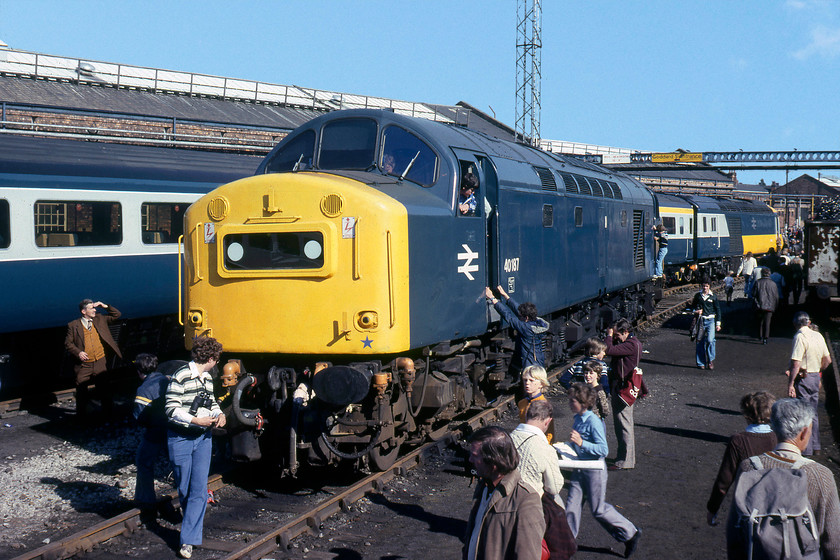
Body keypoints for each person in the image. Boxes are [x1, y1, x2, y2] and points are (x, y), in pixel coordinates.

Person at [726, 398, 840, 559]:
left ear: (774, 428)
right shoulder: (820, 474)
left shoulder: (750, 467)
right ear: (805, 432)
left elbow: (735, 529)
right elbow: (833, 543)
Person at [165, 336, 227, 559]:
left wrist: (218, 414)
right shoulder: (180, 376)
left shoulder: (208, 379)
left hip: (203, 439)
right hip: (180, 438)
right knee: (184, 487)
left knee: (199, 490)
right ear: (210, 358)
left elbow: (211, 402)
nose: (216, 363)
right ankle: (189, 516)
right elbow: (171, 409)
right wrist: (194, 421)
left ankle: (188, 540)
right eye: (216, 360)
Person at [565, 384, 642, 558]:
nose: (570, 403)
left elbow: (603, 450)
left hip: (594, 471)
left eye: (573, 401)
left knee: (598, 509)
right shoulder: (577, 418)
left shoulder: (593, 421)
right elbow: (577, 443)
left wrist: (581, 443)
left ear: (583, 403)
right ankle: (567, 544)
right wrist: (566, 448)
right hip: (580, 468)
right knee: (572, 506)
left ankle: (630, 533)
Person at [464, 426, 545, 560]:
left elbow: (528, 555)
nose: (470, 460)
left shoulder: (526, 500)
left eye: (475, 456)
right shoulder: (483, 487)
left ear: (493, 462)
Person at [510, 400, 576, 560]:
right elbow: (554, 488)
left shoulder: (508, 439)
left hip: (505, 503)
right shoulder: (545, 448)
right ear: (547, 421)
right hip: (530, 509)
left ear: (527, 416)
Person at [705, 391, 777, 526]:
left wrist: (712, 508)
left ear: (747, 415)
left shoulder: (738, 441)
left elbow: (724, 480)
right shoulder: (778, 438)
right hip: (776, 504)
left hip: (747, 506)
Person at [64, 299, 122, 420]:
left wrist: (104, 306)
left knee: (104, 389)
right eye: (91, 308)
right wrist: (78, 352)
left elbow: (117, 315)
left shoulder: (100, 319)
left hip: (100, 361)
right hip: (84, 365)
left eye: (94, 307)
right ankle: (82, 417)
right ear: (83, 311)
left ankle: (108, 415)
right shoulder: (73, 325)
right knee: (81, 391)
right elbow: (68, 344)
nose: (95, 310)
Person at [785, 311, 831, 456]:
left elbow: (796, 363)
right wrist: (817, 371)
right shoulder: (818, 335)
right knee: (813, 413)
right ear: (808, 322)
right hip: (815, 376)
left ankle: (806, 449)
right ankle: (816, 446)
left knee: (803, 413)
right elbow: (828, 360)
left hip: (804, 378)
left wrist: (791, 383)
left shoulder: (799, 337)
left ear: (795, 324)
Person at [605, 319, 645, 470]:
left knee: (624, 424)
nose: (615, 337)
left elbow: (608, 349)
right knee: (623, 423)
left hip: (623, 389)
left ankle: (625, 461)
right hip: (623, 387)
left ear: (625, 332)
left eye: (617, 334)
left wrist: (608, 336)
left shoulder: (630, 345)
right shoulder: (634, 343)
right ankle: (625, 458)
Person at [485, 285, 550, 376]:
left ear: (526, 318)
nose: (519, 316)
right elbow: (518, 311)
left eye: (521, 316)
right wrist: (505, 295)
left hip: (530, 364)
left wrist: (492, 298)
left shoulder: (526, 329)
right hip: (538, 360)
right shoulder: (536, 322)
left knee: (530, 381)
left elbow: (508, 317)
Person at [133, 353, 169, 510]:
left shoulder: (143, 390)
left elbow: (139, 417)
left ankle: (145, 500)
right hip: (174, 429)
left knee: (143, 461)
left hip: (155, 432)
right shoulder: (166, 379)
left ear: (139, 371)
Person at [516, 365, 555, 443]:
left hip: (539, 443)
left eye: (531, 380)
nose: (527, 383)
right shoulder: (522, 403)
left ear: (541, 384)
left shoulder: (544, 406)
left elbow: (550, 433)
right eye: (525, 380)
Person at [691, 279, 722, 370]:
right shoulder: (698, 296)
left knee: (710, 340)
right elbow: (692, 307)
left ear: (709, 287)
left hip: (711, 321)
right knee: (699, 341)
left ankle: (710, 359)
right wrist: (696, 311)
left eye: (707, 286)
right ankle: (701, 363)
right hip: (700, 321)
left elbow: (718, 310)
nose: (705, 288)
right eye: (703, 286)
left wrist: (718, 324)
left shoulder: (713, 297)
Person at [752, 267, 778, 345]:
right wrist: (775, 306)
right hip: (770, 306)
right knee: (767, 322)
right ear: (769, 274)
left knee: (760, 321)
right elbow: (776, 297)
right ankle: (765, 338)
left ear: (761, 274)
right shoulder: (773, 284)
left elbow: (753, 294)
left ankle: (760, 336)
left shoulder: (758, 282)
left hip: (759, 305)